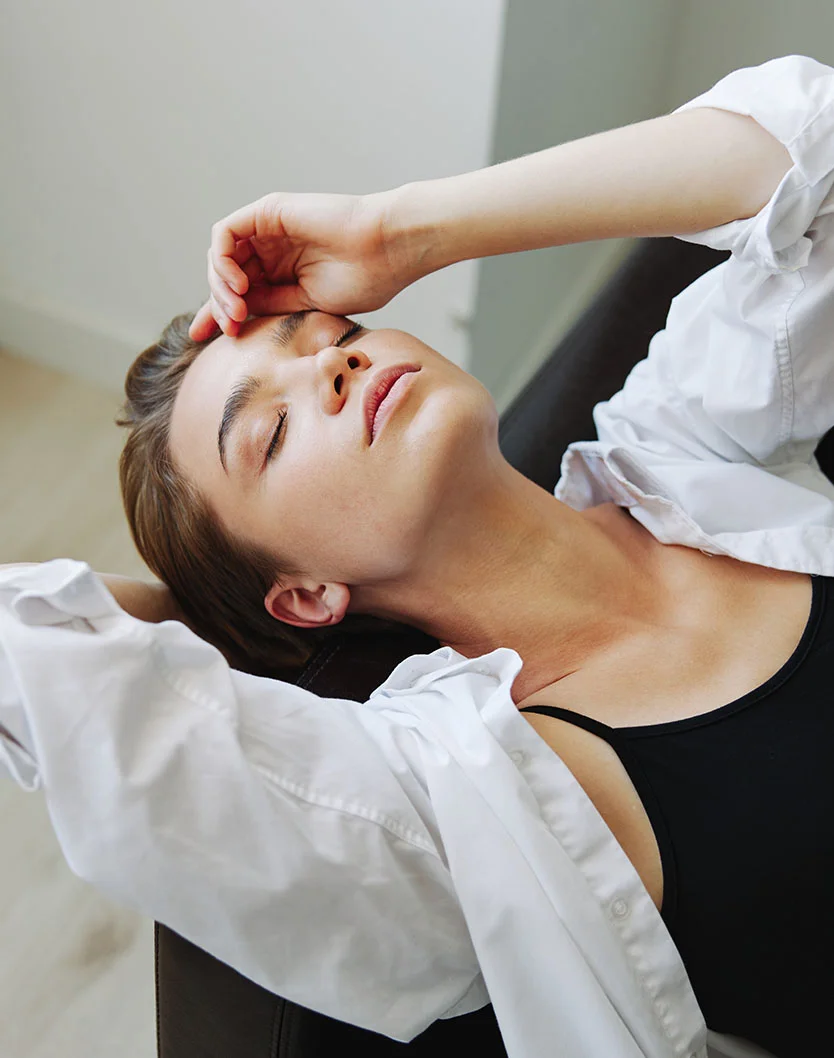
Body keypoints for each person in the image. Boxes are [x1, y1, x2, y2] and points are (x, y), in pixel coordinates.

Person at [2, 53, 833, 1058]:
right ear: (305, 591)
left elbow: (812, 150)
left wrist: (401, 228)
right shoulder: (470, 788)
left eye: (329, 330)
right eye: (267, 431)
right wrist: (196, 622)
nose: (335, 362)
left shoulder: (682, 446)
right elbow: (50, 669)